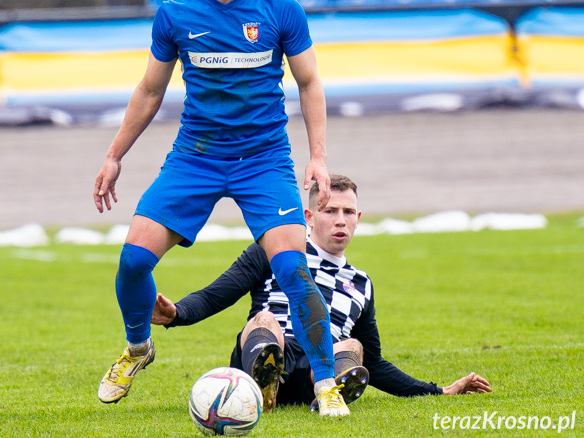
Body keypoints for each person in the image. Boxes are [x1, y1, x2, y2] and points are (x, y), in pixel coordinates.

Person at [93, 0, 349, 416]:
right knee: (133, 262)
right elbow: (148, 91)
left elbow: (310, 82)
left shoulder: (282, 10)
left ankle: (326, 387)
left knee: (294, 271)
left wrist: (318, 157)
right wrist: (115, 154)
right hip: (196, 158)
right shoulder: (176, 15)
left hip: (264, 160)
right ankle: (139, 345)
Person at [152, 175, 492, 412]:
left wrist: (438, 391)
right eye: (330, 211)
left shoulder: (361, 284)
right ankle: (264, 381)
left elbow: (373, 362)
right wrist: (177, 314)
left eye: (347, 213)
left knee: (353, 347)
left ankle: (327, 391)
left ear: (358, 219)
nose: (340, 221)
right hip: (271, 345)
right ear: (309, 217)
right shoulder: (275, 252)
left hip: (318, 369)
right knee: (265, 319)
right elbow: (217, 294)